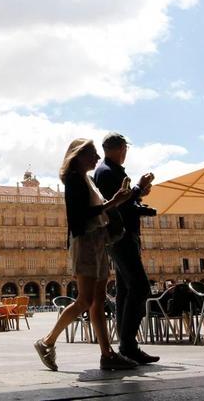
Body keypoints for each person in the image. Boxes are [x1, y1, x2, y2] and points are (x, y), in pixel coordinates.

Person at [34, 138, 136, 371]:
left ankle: (107, 354)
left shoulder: (86, 179)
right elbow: (80, 216)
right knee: (85, 300)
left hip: (99, 241)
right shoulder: (73, 180)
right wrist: (114, 202)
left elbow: (96, 211)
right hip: (86, 242)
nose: (98, 158)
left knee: (98, 302)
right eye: (92, 154)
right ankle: (47, 341)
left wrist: (117, 200)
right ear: (78, 155)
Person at [94, 132, 159, 365]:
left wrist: (140, 198)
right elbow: (114, 206)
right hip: (120, 236)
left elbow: (125, 203)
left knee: (125, 291)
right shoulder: (107, 172)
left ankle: (126, 347)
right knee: (140, 288)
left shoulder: (108, 171)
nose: (126, 153)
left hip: (121, 235)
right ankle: (128, 346)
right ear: (121, 148)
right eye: (125, 149)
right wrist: (139, 188)